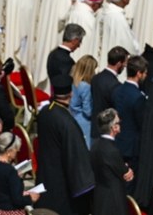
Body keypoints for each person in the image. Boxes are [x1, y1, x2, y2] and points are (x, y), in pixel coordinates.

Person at [34, 74, 95, 215]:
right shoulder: (67, 122)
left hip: (45, 176)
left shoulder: (45, 112)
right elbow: (76, 156)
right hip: (62, 186)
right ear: (71, 93)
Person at [91, 108, 133, 214]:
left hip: (99, 198)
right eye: (119, 122)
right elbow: (125, 173)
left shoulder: (95, 145)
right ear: (114, 127)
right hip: (113, 201)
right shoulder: (112, 150)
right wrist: (127, 168)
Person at [0, 132, 39, 215]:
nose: (17, 152)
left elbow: (3, 189)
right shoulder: (10, 171)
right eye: (16, 150)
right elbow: (17, 200)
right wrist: (31, 198)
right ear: (9, 151)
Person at [70, 55, 97, 146]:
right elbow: (88, 111)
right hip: (84, 122)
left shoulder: (73, 82)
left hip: (73, 116)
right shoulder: (86, 86)